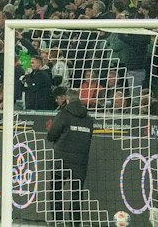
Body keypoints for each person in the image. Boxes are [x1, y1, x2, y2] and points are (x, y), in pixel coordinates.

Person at [45, 85, 93, 220]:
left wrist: (50, 130)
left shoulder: (63, 114)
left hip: (61, 159)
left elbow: (52, 136)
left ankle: (57, 219)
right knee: (77, 192)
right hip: (80, 161)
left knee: (56, 190)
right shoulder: (89, 119)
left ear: (67, 99)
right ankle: (75, 220)